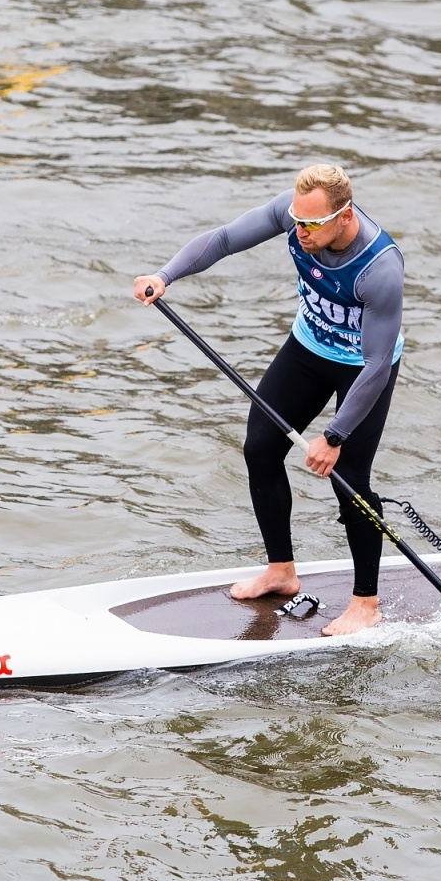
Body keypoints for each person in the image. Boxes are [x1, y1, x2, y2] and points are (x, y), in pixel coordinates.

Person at [133, 164, 403, 636]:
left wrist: (334, 434)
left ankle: (366, 603)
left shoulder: (380, 269)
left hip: (364, 367)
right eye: (296, 221)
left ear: (344, 217)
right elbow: (222, 240)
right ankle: (281, 571)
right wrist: (165, 274)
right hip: (309, 347)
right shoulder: (296, 214)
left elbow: (378, 364)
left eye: (311, 225)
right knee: (260, 447)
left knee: (350, 481)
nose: (299, 233)